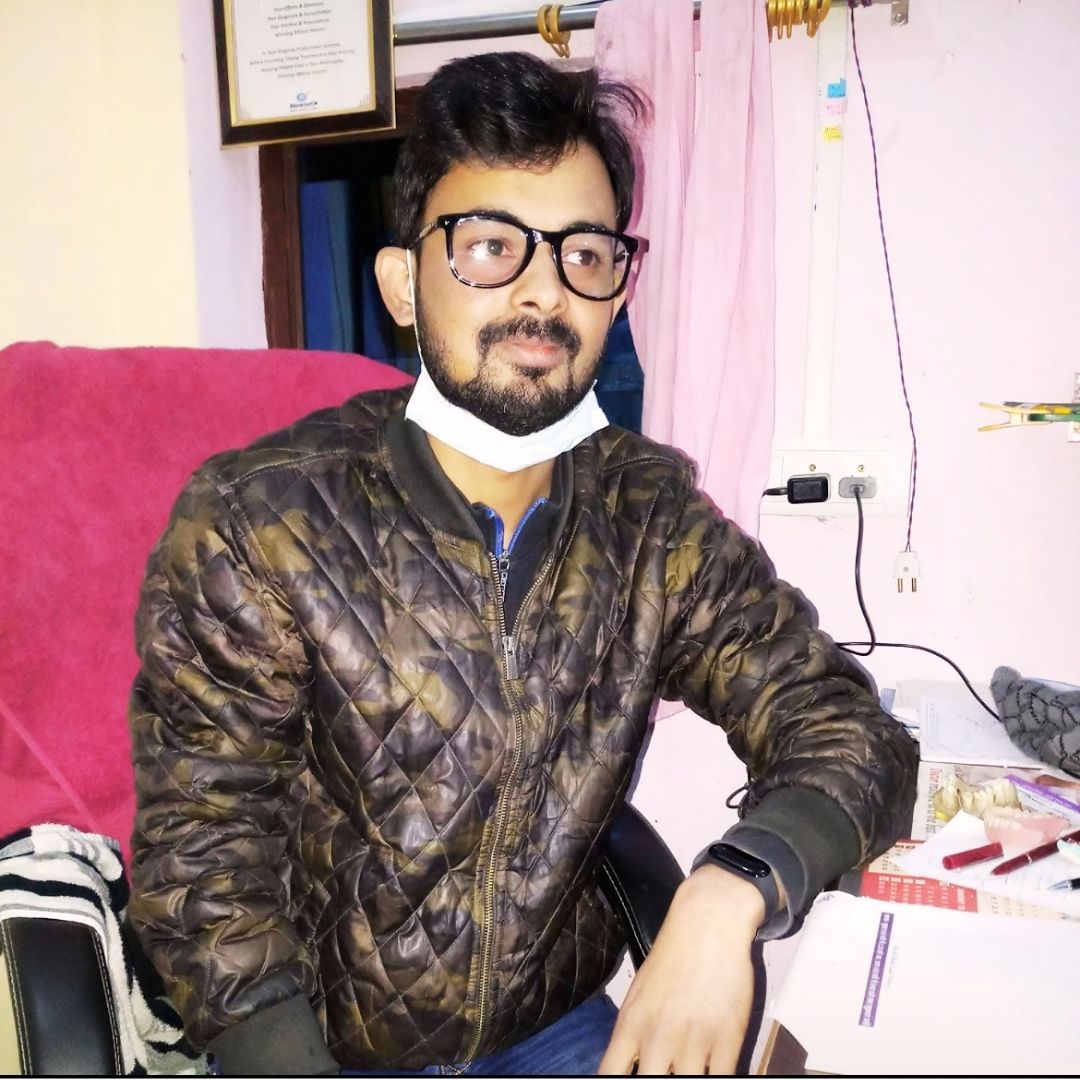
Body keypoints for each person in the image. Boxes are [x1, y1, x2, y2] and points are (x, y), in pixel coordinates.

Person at [128, 51, 917, 1076]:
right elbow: (202, 856)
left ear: (616, 293)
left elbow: (848, 726)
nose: (544, 292)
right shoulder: (258, 520)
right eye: (491, 246)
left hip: (551, 1028)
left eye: (584, 254)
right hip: (319, 1045)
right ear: (403, 285)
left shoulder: (648, 518)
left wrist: (732, 889)